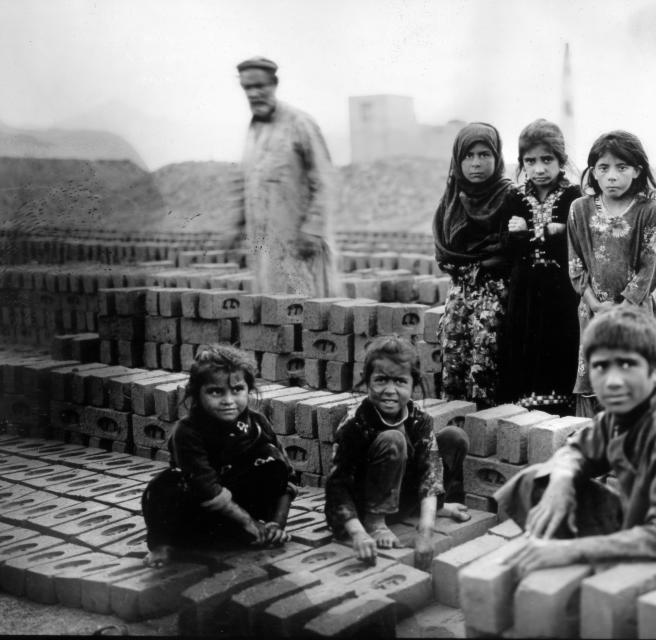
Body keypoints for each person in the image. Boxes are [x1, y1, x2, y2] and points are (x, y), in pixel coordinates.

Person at [496, 306, 656, 575]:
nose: (612, 382)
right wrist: (562, 480)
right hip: (646, 523)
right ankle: (563, 577)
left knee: (601, 579)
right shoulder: (622, 413)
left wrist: (571, 551)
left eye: (627, 364)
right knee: (538, 483)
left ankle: (590, 583)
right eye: (601, 366)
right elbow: (579, 448)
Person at [141, 345, 297, 568]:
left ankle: (251, 534)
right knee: (165, 484)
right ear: (197, 393)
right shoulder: (187, 431)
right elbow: (206, 487)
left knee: (272, 463)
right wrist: (251, 524)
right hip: (198, 512)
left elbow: (287, 477)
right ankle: (162, 546)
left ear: (248, 389)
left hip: (234, 514)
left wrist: (276, 524)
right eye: (216, 392)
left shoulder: (257, 423)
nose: (228, 400)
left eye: (237, 390)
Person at [324, 336, 472, 570]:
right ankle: (377, 521)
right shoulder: (356, 422)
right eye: (381, 380)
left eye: (400, 382)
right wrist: (358, 533)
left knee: (454, 437)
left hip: (402, 496)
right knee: (393, 439)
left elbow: (430, 473)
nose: (390, 391)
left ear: (413, 385)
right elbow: (336, 486)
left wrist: (425, 531)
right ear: (367, 382)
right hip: (362, 505)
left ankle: (435, 507)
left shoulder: (418, 419)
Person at [567, 130, 656, 417]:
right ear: (593, 173)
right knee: (595, 377)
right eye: (604, 167)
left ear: (637, 170)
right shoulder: (579, 209)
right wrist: (596, 305)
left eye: (621, 167)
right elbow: (575, 263)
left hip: (634, 312)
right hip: (593, 312)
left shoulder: (649, 211)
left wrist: (623, 307)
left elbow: (652, 265)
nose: (612, 175)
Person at [433, 122, 526, 407]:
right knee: (453, 364)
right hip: (459, 294)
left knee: (485, 366)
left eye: (484, 154)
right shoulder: (451, 199)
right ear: (458, 159)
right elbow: (446, 251)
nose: (476, 163)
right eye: (468, 155)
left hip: (496, 296)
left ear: (497, 157)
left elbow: (516, 250)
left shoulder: (511, 196)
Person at [235, 56, 340, 296]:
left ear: (274, 84)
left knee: (309, 315)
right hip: (265, 247)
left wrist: (313, 229)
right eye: (247, 88)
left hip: (299, 244)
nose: (253, 94)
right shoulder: (254, 130)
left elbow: (324, 179)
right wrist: (237, 228)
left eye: (259, 86)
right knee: (273, 313)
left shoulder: (299, 123)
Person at [501, 119, 582, 415]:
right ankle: (524, 414)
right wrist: (523, 233)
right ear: (522, 163)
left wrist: (551, 233)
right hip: (524, 291)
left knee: (560, 344)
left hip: (562, 292)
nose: (539, 168)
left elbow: (579, 241)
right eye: (530, 161)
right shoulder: (515, 197)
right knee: (525, 346)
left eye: (546, 159)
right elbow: (507, 246)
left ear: (561, 160)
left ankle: (561, 412)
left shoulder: (575, 197)